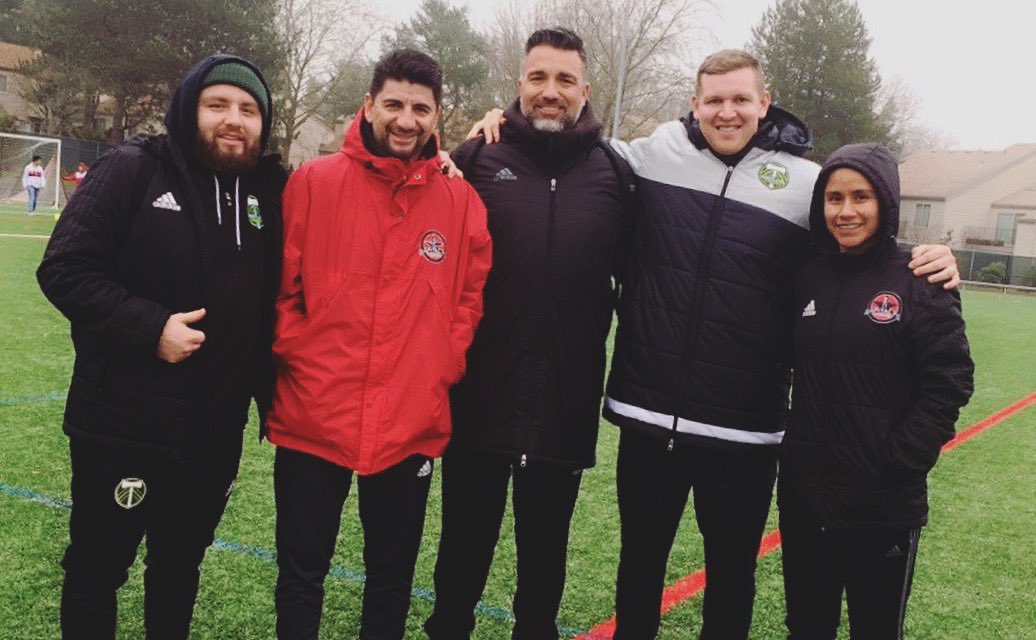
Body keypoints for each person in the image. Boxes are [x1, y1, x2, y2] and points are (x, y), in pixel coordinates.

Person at [597, 50, 960, 639]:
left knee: (732, 578)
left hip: (745, 431)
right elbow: (578, 151)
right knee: (638, 570)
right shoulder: (656, 152)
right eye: (713, 100)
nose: (726, 111)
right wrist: (497, 121)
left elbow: (860, 244)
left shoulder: (804, 183)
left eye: (741, 99)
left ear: (765, 104)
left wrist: (925, 256)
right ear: (695, 104)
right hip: (648, 418)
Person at [36, 55, 285, 639]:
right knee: (99, 570)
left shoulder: (271, 191)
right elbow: (66, 269)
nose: (234, 120)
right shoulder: (133, 168)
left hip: (213, 433)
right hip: (123, 425)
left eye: (249, 110)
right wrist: (151, 329)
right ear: (188, 107)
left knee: (178, 568)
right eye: (218, 104)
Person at [266, 49, 492, 640]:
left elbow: (469, 297)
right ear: (369, 105)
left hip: (408, 420)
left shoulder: (460, 199)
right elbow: (280, 290)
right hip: (313, 413)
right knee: (300, 573)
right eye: (393, 103)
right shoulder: (313, 183)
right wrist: (302, 354)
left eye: (421, 108)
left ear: (437, 116)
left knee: (391, 577)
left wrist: (440, 362)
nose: (406, 119)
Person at [424, 27, 635, 640]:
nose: (550, 91)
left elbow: (651, 276)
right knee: (461, 553)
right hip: (478, 397)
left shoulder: (615, 176)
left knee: (544, 566)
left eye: (565, 80)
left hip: (565, 405)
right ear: (519, 85)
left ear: (585, 90)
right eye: (538, 78)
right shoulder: (476, 159)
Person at [778, 143, 973, 640]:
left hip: (882, 504)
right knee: (806, 627)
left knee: (877, 629)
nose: (846, 212)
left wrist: (902, 457)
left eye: (861, 197)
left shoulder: (919, 277)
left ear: (886, 202)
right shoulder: (806, 275)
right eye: (834, 198)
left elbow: (950, 378)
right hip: (805, 499)